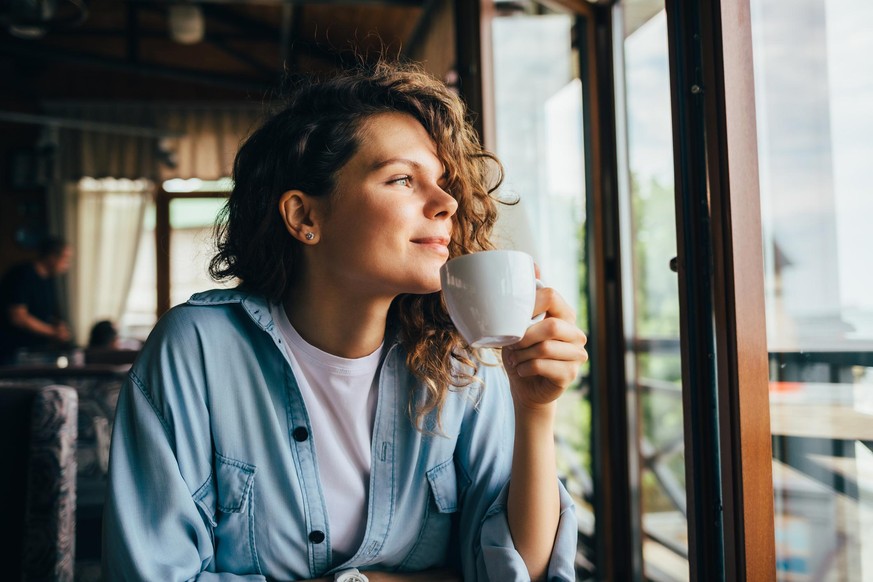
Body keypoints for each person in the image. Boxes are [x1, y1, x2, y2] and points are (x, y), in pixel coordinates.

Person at [104, 61, 588, 581]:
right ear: (305, 216)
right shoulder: (196, 349)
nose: (447, 202)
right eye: (403, 179)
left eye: (445, 183)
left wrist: (535, 410)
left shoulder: (460, 358)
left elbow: (521, 573)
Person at [0, 236, 73, 365]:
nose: (67, 265)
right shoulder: (22, 275)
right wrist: (53, 332)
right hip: (14, 353)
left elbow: (41, 313)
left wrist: (58, 326)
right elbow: (18, 317)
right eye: (65, 259)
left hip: (36, 351)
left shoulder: (48, 280)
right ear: (51, 257)